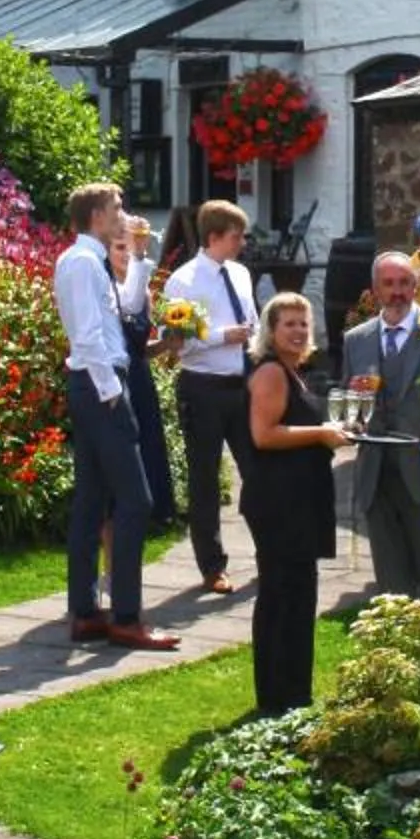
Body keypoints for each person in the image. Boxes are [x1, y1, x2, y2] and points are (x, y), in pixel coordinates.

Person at [53, 182, 179, 652]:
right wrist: (111, 393)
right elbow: (88, 336)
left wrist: (141, 258)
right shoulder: (82, 262)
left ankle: (86, 612)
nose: (124, 215)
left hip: (95, 384)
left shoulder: (91, 260)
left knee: (92, 499)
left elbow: (124, 308)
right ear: (97, 216)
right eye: (117, 208)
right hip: (100, 385)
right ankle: (126, 617)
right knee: (135, 501)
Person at [337, 248, 420, 600]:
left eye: (404, 283)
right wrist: (352, 415)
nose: (397, 291)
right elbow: (351, 407)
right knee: (392, 587)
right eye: (388, 284)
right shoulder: (357, 340)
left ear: (416, 287)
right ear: (375, 290)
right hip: (377, 474)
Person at [242, 290, 350, 715]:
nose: (299, 331)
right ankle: (278, 696)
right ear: (271, 331)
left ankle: (292, 693)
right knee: (282, 594)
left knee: (298, 594)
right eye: (289, 324)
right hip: (278, 501)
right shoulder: (271, 373)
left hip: (299, 497)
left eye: (304, 323)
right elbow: (264, 434)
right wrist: (321, 433)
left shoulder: (294, 373)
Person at [157, 197, 258, 592]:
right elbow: (178, 342)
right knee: (205, 479)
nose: (242, 243)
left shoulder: (241, 274)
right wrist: (221, 336)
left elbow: (252, 321)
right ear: (214, 237)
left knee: (259, 471)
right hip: (202, 386)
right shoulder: (183, 281)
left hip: (241, 385)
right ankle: (212, 566)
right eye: (236, 237)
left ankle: (270, 550)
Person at [113, 215, 178, 532]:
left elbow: (141, 348)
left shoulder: (143, 294)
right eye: (119, 247)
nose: (126, 254)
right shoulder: (106, 289)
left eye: (129, 247)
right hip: (117, 376)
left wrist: (167, 344)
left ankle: (157, 511)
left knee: (150, 440)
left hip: (139, 374)